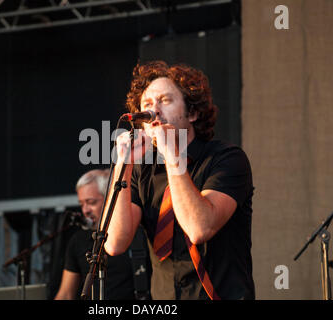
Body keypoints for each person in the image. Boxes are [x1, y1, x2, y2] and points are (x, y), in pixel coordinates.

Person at [104, 60, 255, 300]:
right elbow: (114, 244)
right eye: (147, 104)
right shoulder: (142, 172)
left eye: (165, 101)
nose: (154, 111)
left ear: (193, 113)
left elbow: (199, 228)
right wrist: (123, 164)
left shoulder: (226, 159)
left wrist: (172, 153)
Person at [54, 169, 150, 300]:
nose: (85, 210)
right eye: (81, 204)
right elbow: (66, 294)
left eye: (91, 202)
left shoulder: (137, 232)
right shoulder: (78, 241)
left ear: (109, 199)